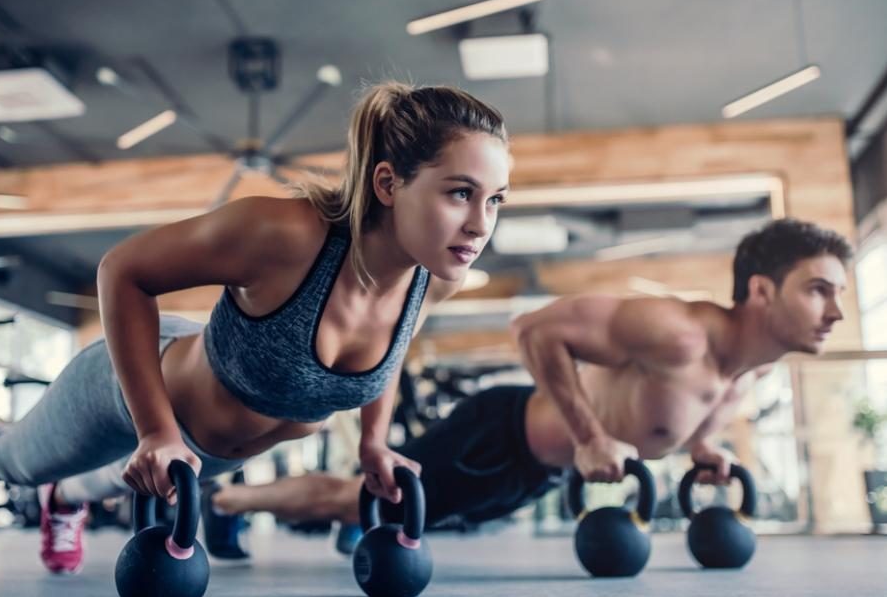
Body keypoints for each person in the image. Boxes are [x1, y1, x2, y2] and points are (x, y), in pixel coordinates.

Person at [0, 82, 512, 580]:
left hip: (199, 455)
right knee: (17, 462)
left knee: (108, 478)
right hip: (137, 385)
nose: (480, 223)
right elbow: (123, 271)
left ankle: (66, 502)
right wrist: (155, 429)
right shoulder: (284, 236)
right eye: (461, 193)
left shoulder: (434, 277)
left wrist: (373, 442)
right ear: (387, 183)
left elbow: (388, 355)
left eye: (496, 200)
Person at [204, 219, 852, 543]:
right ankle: (225, 504)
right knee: (356, 499)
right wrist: (590, 436)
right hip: (499, 434)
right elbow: (535, 329)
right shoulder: (676, 330)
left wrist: (703, 448)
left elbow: (670, 414)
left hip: (531, 471)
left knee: (404, 520)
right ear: (761, 291)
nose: (836, 312)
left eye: (840, 294)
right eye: (818, 290)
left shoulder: (752, 368)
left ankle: (314, 519)